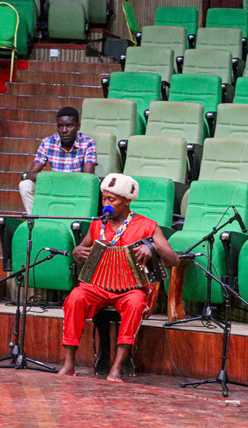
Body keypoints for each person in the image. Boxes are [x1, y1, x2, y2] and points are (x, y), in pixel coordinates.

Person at [59, 173, 180, 381]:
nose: (105, 204)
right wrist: (77, 252)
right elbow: (81, 249)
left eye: (111, 200)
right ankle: (69, 365)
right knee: (74, 299)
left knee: (135, 304)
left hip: (131, 289)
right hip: (97, 287)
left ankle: (116, 368)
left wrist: (152, 247)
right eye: (103, 198)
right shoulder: (98, 224)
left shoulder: (147, 225)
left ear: (126, 201)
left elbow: (174, 260)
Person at [18, 106, 97, 213]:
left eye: (69, 126)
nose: (64, 130)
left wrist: (54, 176)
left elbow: (88, 178)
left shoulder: (88, 143)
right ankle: (35, 220)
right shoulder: (47, 142)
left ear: (78, 126)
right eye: (60, 126)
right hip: (53, 187)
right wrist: (53, 177)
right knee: (25, 185)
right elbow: (30, 175)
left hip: (76, 189)